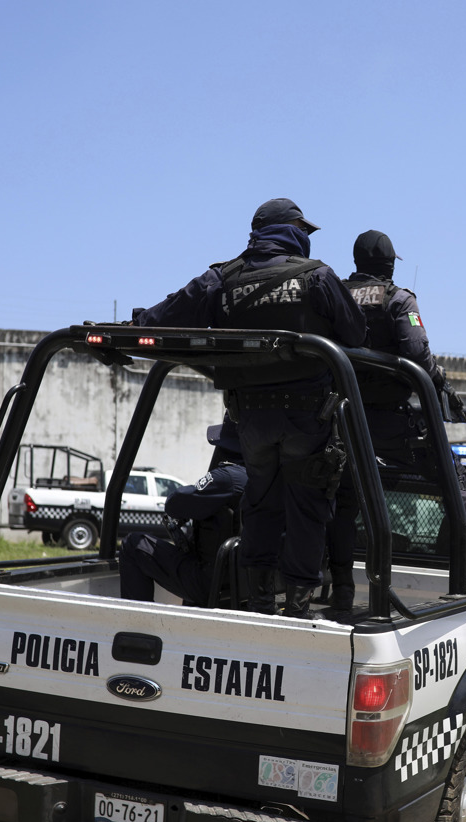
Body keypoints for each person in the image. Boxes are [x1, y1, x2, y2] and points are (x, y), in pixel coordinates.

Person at [131, 198, 366, 617]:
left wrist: (136, 326)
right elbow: (355, 330)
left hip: (251, 419)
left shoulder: (223, 278)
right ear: (288, 229)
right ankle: (297, 604)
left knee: (260, 502)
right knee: (307, 506)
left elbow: (174, 311)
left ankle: (259, 599)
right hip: (308, 415)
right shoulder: (317, 277)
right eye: (301, 228)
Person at [325, 229, 466, 602]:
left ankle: (342, 589)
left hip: (343, 420)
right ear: (388, 265)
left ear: (358, 262)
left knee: (344, 496)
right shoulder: (398, 298)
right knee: (453, 473)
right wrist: (439, 378)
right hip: (389, 423)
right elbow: (417, 353)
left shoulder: (335, 296)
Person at [119, 420, 246, 606]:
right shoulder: (265, 476)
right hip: (243, 581)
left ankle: (137, 627)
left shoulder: (228, 477)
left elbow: (175, 504)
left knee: (133, 545)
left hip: (210, 581)